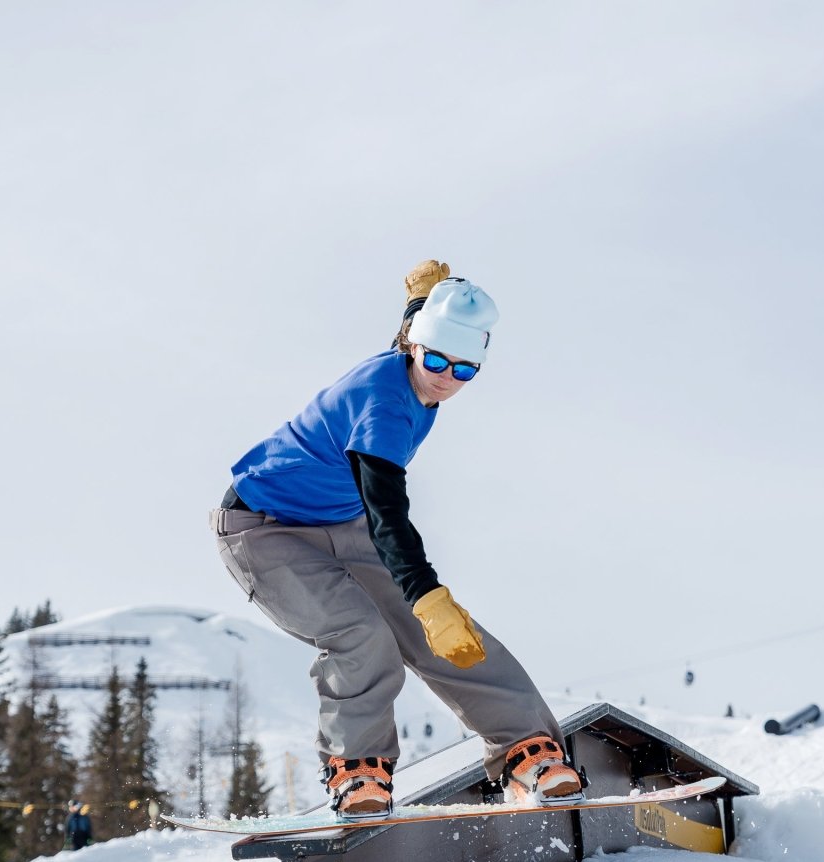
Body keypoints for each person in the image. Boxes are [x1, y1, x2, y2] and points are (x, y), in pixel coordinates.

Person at [211, 261, 583, 819]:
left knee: (449, 635)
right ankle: (357, 770)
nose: (444, 378)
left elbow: (424, 332)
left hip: (341, 521)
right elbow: (388, 513)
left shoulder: (421, 349)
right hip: (265, 531)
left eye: (464, 370)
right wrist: (427, 595)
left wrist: (425, 298)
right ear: (414, 347)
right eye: (435, 361)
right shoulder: (381, 406)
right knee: (361, 635)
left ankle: (528, 752)